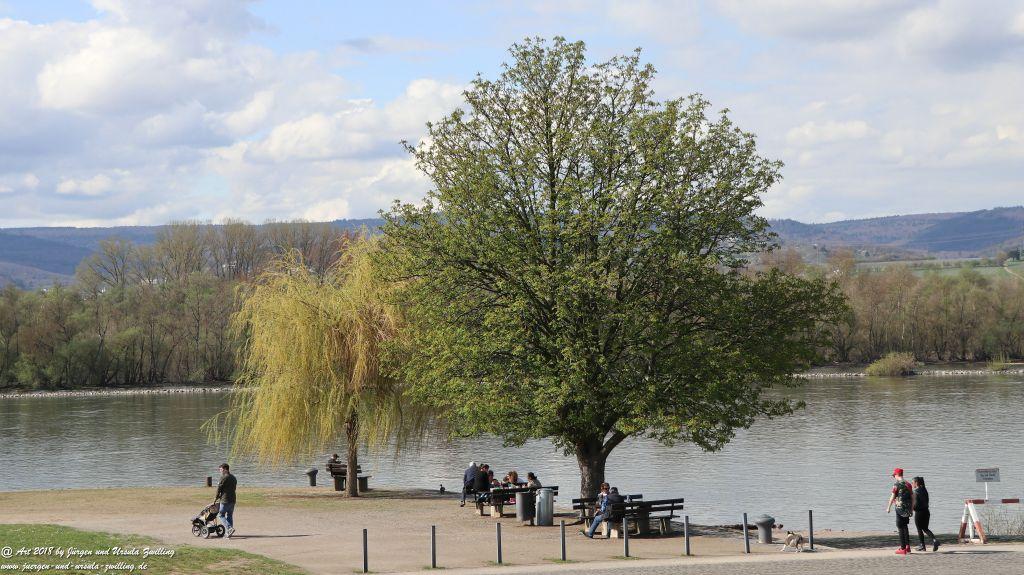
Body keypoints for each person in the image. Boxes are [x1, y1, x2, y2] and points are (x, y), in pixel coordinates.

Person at [886, 467, 915, 555]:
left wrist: (888, 507)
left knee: (900, 527)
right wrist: (912, 509)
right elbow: (913, 497)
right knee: (905, 526)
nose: (894, 477)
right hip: (907, 509)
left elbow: (892, 497)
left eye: (894, 475)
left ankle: (902, 548)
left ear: (897, 475)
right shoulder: (908, 484)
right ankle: (907, 546)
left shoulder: (896, 485)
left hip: (899, 508)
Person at [913, 476, 939, 552]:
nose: (912, 484)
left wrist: (913, 509)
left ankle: (922, 546)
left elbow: (916, 504)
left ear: (916, 483)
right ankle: (934, 540)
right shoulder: (924, 490)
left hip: (919, 513)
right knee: (925, 528)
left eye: (913, 482)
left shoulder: (916, 491)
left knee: (919, 529)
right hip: (926, 512)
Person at [215, 463, 237, 539]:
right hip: (233, 499)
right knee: (230, 515)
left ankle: (229, 528)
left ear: (225, 469)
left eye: (220, 469)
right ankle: (229, 532)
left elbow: (219, 489)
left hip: (225, 500)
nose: (220, 471)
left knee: (221, 514)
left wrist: (216, 497)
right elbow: (234, 488)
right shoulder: (233, 477)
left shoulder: (223, 477)